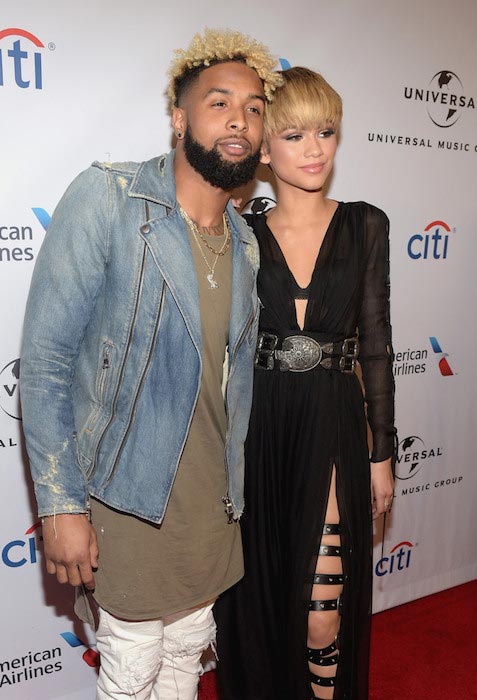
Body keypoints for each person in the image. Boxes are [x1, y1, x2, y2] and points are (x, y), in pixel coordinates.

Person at [19, 29, 282, 700]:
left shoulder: (245, 243)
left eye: (253, 108)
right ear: (178, 117)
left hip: (209, 501)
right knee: (132, 670)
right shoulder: (109, 198)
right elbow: (46, 362)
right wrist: (59, 505)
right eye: (218, 102)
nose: (239, 120)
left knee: (187, 656)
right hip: (124, 496)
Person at [214, 67, 396, 700]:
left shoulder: (365, 224)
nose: (316, 148)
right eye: (295, 134)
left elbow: (375, 343)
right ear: (264, 148)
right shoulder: (238, 233)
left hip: (333, 422)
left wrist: (381, 452)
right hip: (259, 430)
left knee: (323, 613)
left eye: (327, 131)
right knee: (261, 605)